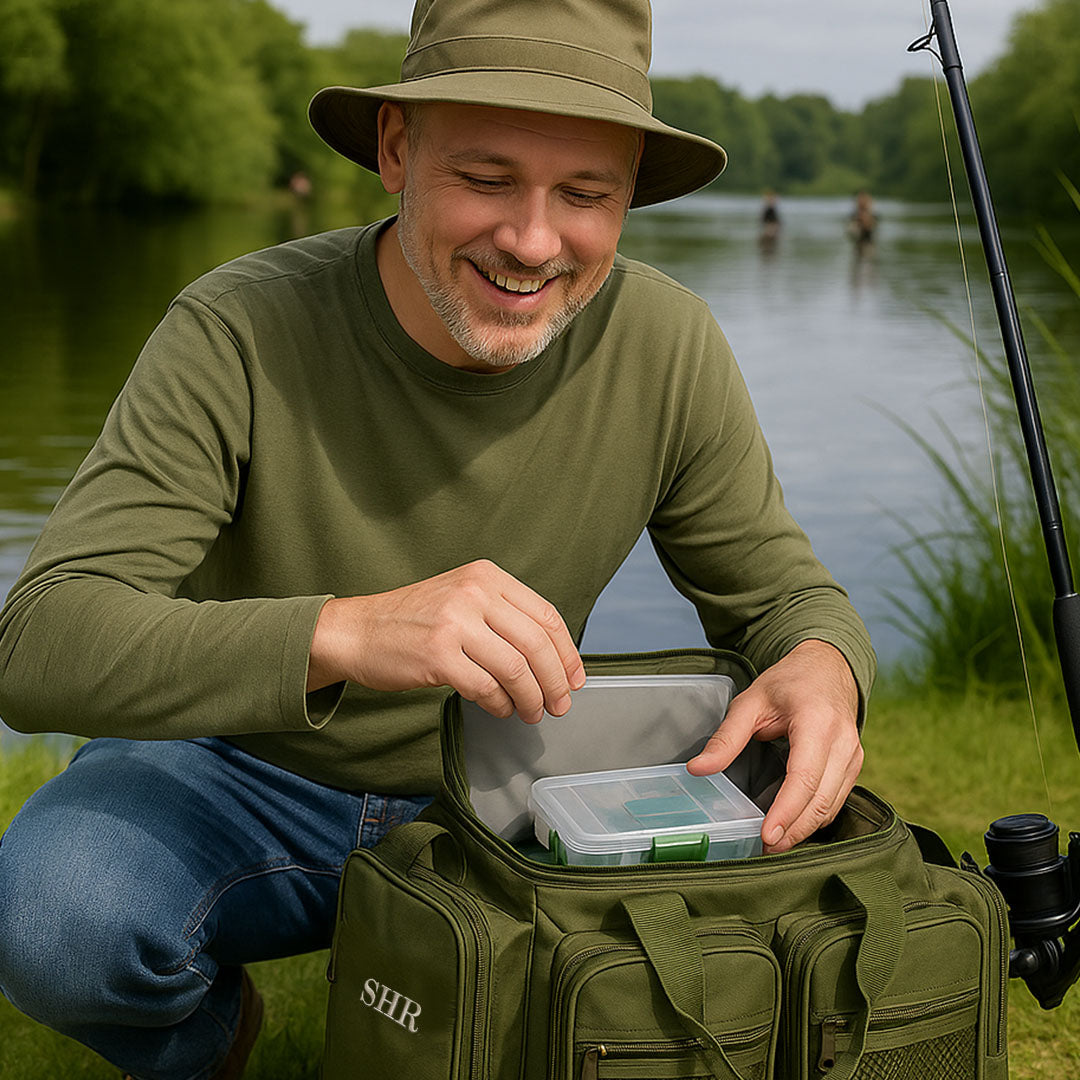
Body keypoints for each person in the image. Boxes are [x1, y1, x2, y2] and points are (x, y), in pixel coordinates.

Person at [0, 1, 875, 1077]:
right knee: (53, 920)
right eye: (488, 178)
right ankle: (214, 1039)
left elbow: (782, 594)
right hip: (239, 771)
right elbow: (40, 643)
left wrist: (825, 666)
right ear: (397, 151)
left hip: (517, 794)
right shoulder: (233, 331)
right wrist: (345, 632)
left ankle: (475, 981)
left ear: (630, 199)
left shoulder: (669, 343)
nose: (533, 241)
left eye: (586, 195)